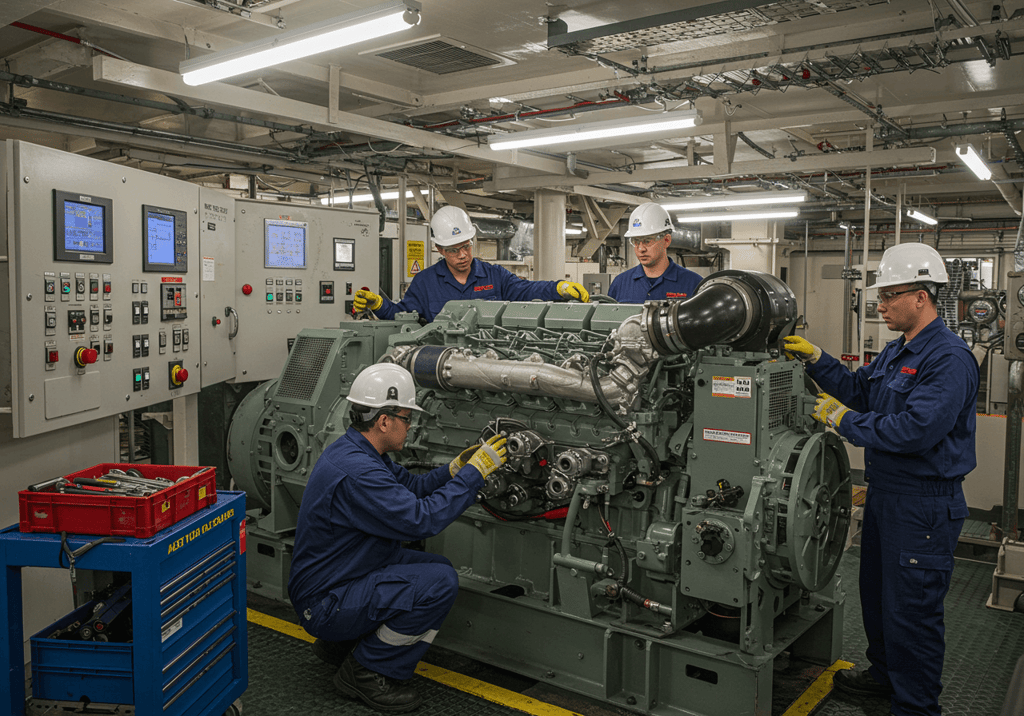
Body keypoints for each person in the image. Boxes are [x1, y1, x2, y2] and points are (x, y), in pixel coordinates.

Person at [783, 242, 977, 716]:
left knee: (912, 614)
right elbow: (860, 390)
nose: (881, 305)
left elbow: (918, 429)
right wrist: (818, 360)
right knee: (880, 601)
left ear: (922, 296)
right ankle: (885, 677)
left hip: (924, 504)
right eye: (880, 297)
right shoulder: (899, 351)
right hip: (887, 495)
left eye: (889, 296)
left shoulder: (947, 358)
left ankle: (914, 706)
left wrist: (844, 421)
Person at [288, 363, 507, 712]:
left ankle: (341, 644)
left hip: (342, 575)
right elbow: (421, 520)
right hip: (326, 601)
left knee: (433, 566)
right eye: (407, 418)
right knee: (439, 582)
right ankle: (366, 670)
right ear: (384, 421)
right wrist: (474, 476)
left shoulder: (357, 451)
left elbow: (412, 489)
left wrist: (453, 470)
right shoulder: (360, 472)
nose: (411, 426)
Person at [354, 205, 590, 322]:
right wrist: (379, 304)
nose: (463, 255)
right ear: (439, 249)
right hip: (442, 364)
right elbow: (402, 315)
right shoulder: (425, 282)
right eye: (454, 250)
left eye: (466, 246)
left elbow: (525, 290)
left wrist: (559, 288)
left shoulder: (494, 276)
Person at [607, 202, 702, 303]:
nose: (640, 249)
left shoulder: (694, 284)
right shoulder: (620, 283)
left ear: (666, 240)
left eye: (647, 241)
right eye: (636, 241)